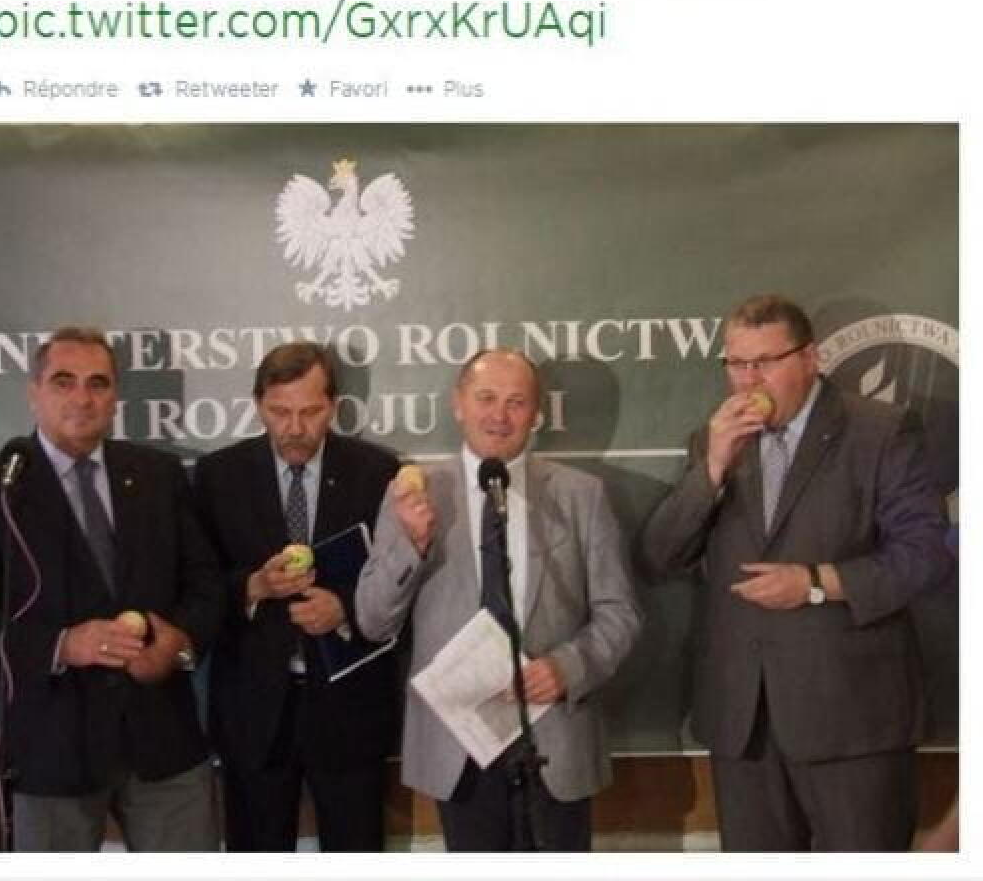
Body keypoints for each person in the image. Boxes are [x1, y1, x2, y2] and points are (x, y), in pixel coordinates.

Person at [640, 294, 954, 851]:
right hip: (744, 724)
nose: (748, 379)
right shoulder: (714, 439)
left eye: (765, 362)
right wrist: (712, 466)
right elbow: (661, 554)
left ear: (810, 358)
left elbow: (925, 555)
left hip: (851, 720)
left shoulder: (879, 431)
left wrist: (815, 583)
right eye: (737, 363)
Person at [356, 348, 640, 851]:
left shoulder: (582, 495)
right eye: (486, 398)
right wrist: (413, 545)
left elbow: (620, 613)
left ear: (536, 413)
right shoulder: (413, 495)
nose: (499, 416)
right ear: (458, 403)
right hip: (459, 746)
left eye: (516, 402)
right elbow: (373, 621)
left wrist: (568, 667)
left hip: (555, 740)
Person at [0, 327, 223, 851]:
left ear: (116, 396)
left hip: (163, 740)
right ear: (33, 393)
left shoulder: (159, 474)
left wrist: (178, 645)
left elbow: (206, 583)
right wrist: (62, 645)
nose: (82, 398)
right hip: (51, 752)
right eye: (63, 381)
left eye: (98, 383)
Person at [193, 343, 399, 851]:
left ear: (333, 406)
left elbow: (400, 581)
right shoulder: (219, 475)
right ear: (258, 405)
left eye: (309, 412)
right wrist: (253, 587)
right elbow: (197, 585)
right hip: (254, 713)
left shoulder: (376, 472)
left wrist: (345, 608)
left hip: (350, 711)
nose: (294, 427)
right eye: (280, 412)